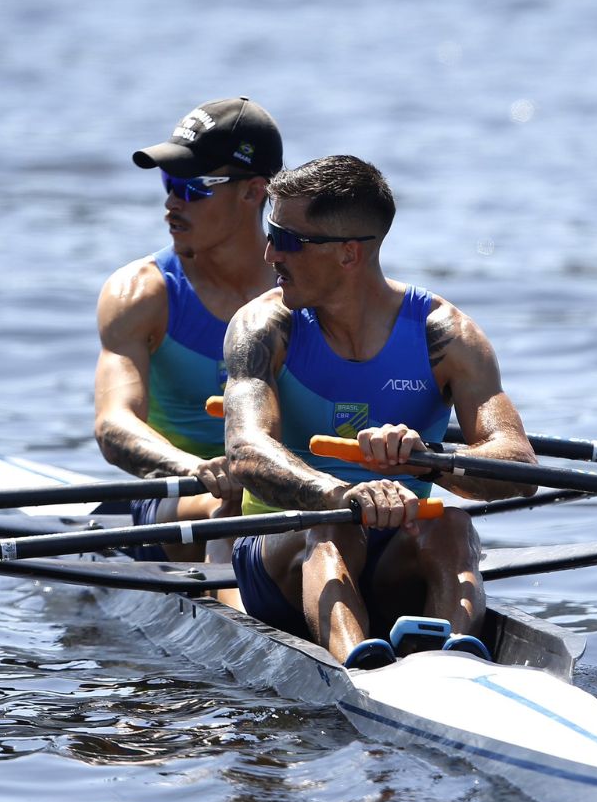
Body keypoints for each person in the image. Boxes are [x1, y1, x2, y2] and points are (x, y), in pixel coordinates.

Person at [221, 155, 538, 668]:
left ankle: (457, 667)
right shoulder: (263, 328)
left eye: (287, 239)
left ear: (349, 254)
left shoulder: (447, 335)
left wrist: (428, 460)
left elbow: (519, 468)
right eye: (270, 232)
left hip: (394, 552)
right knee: (334, 525)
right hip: (280, 556)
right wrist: (342, 494)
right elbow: (244, 451)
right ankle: (360, 674)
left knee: (454, 525)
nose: (269, 252)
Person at [93, 97, 281, 572]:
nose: (171, 204)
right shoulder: (141, 293)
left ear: (253, 191)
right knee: (234, 503)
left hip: (285, 490)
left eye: (192, 187)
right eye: (167, 183)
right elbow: (114, 425)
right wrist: (193, 468)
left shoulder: (309, 294)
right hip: (177, 496)